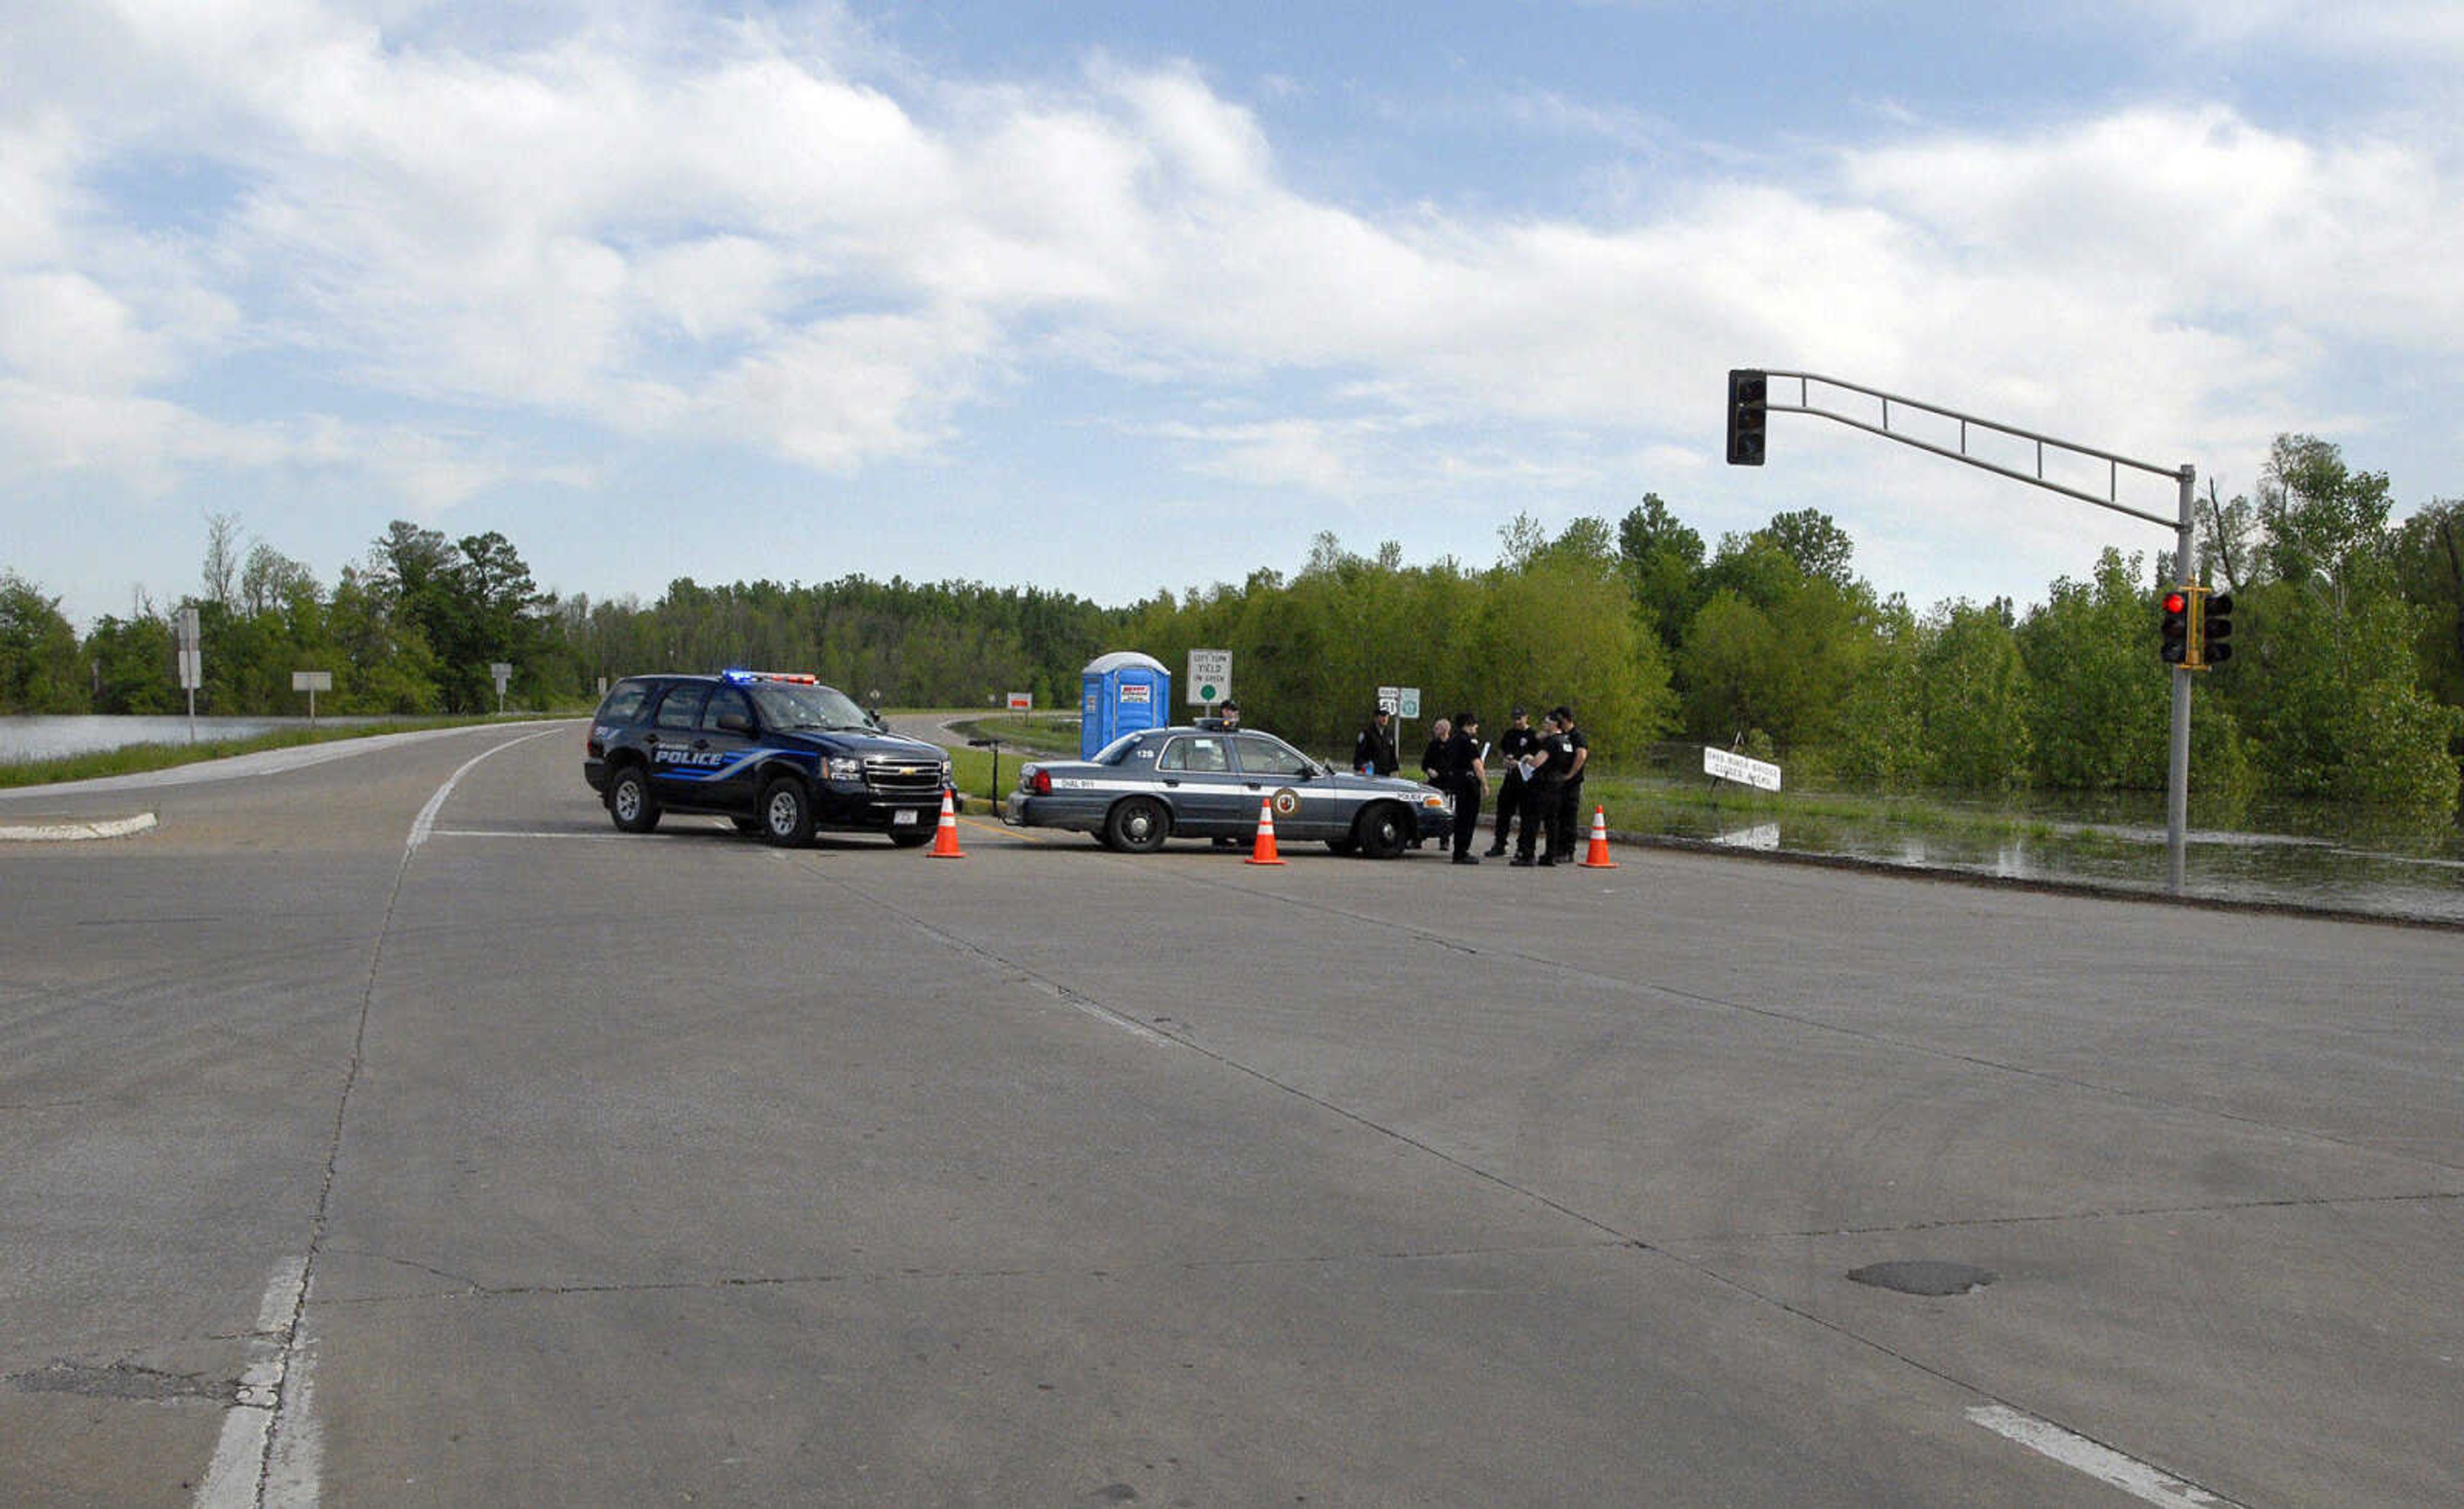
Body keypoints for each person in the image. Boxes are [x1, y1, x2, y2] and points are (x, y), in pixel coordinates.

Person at [1512, 710, 1571, 867]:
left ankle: (1527, 855)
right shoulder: (1566, 742)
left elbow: (1537, 762)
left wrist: (1527, 758)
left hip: (1542, 784)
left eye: (1546, 722)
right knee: (1552, 821)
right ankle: (1550, 855)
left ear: (1554, 724)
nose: (1544, 725)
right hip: (1558, 784)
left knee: (1532, 820)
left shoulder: (1551, 742)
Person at [1485, 706, 1538, 857]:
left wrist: (1521, 763)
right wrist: (1506, 759)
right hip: (1510, 778)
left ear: (1526, 717)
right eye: (1515, 719)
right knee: (1503, 812)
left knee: (1526, 815)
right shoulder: (1509, 734)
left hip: (1525, 780)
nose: (1517, 722)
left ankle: (1522, 846)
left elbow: (1536, 758)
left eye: (1519, 718)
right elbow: (1503, 749)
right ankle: (1500, 844)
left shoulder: (1532, 735)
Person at [1444, 711, 1487, 864]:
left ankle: (1458, 850)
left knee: (1460, 817)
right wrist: (1484, 784)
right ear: (1468, 725)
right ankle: (1462, 852)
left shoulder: (1453, 739)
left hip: (1456, 781)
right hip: (1468, 783)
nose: (1476, 727)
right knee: (1468, 818)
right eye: (1474, 724)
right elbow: (1477, 765)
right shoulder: (1467, 741)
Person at [1550, 704, 1590, 862]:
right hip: (1558, 783)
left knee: (1568, 817)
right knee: (1557, 816)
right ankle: (1557, 848)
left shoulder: (1577, 737)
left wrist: (1570, 774)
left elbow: (1581, 755)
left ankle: (1567, 851)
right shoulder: (1560, 736)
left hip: (1571, 784)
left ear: (1565, 719)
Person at [1353, 706, 1399, 776]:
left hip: (1385, 772)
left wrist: (1395, 770)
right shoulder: (1367, 733)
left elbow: (1392, 753)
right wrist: (1359, 769)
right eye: (1382, 716)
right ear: (1376, 718)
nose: (1385, 719)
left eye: (1387, 716)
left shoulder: (1390, 733)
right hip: (1369, 772)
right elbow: (1359, 754)